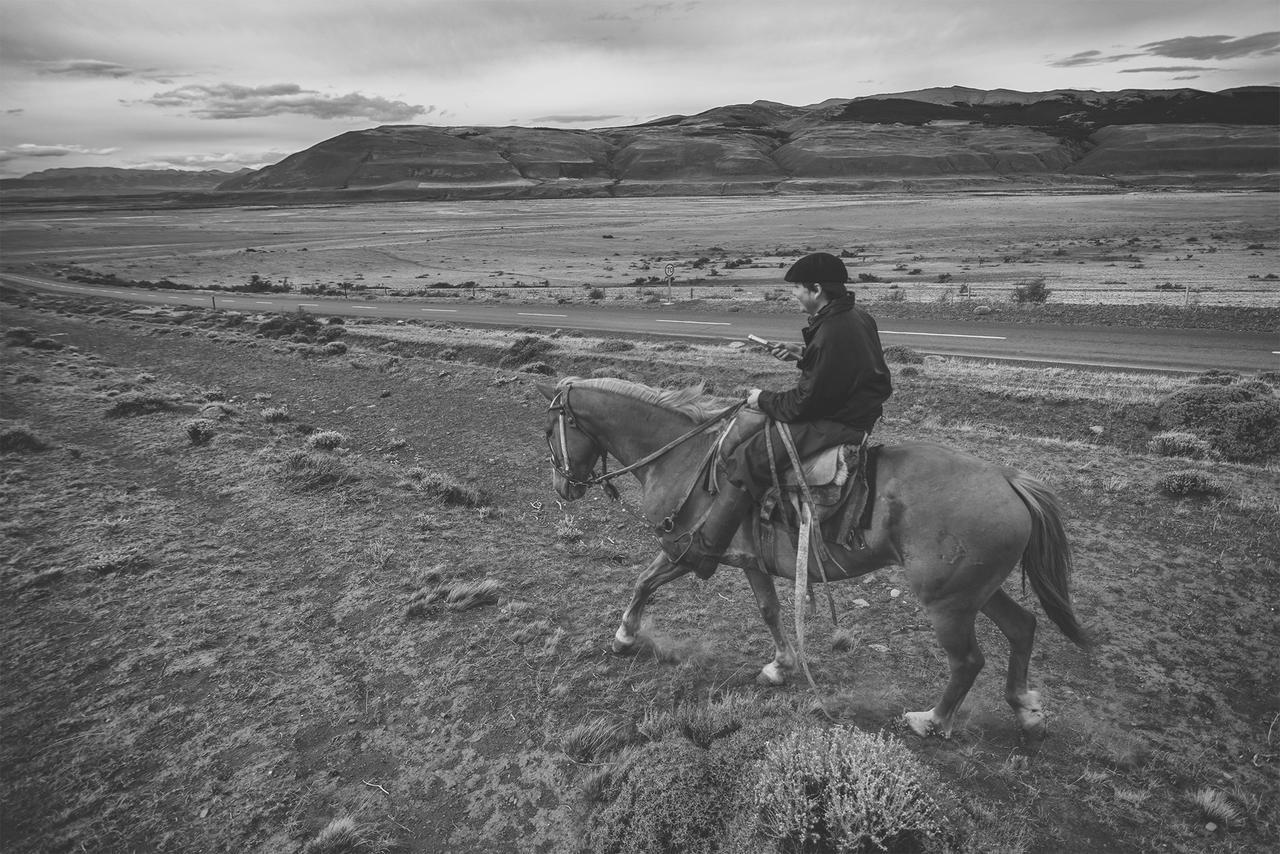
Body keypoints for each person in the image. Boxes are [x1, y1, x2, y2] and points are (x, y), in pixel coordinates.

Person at [685, 251, 892, 573]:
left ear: (816, 289)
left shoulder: (832, 331)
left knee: (748, 457)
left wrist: (762, 398)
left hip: (838, 421)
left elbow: (802, 405)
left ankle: (706, 551)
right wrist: (803, 354)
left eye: (796, 288)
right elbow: (843, 366)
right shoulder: (856, 317)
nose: (793, 294)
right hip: (856, 411)